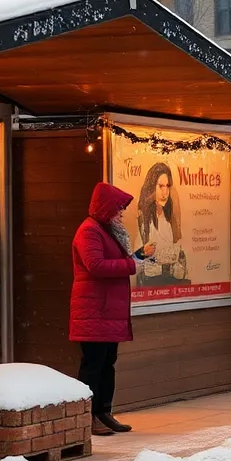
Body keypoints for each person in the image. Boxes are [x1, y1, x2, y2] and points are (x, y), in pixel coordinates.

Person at [70, 182, 156, 436]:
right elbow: (95, 266)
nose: (121, 213)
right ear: (106, 208)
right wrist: (133, 262)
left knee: (108, 362)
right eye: (118, 208)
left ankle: (103, 410)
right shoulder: (89, 231)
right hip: (94, 310)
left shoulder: (105, 230)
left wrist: (136, 257)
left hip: (107, 310)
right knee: (93, 364)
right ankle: (87, 415)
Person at [135, 162, 188, 286]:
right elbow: (134, 261)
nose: (165, 192)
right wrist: (143, 253)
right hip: (151, 287)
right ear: (152, 187)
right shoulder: (144, 220)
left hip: (172, 286)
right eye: (160, 186)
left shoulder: (170, 219)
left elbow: (180, 254)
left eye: (167, 186)